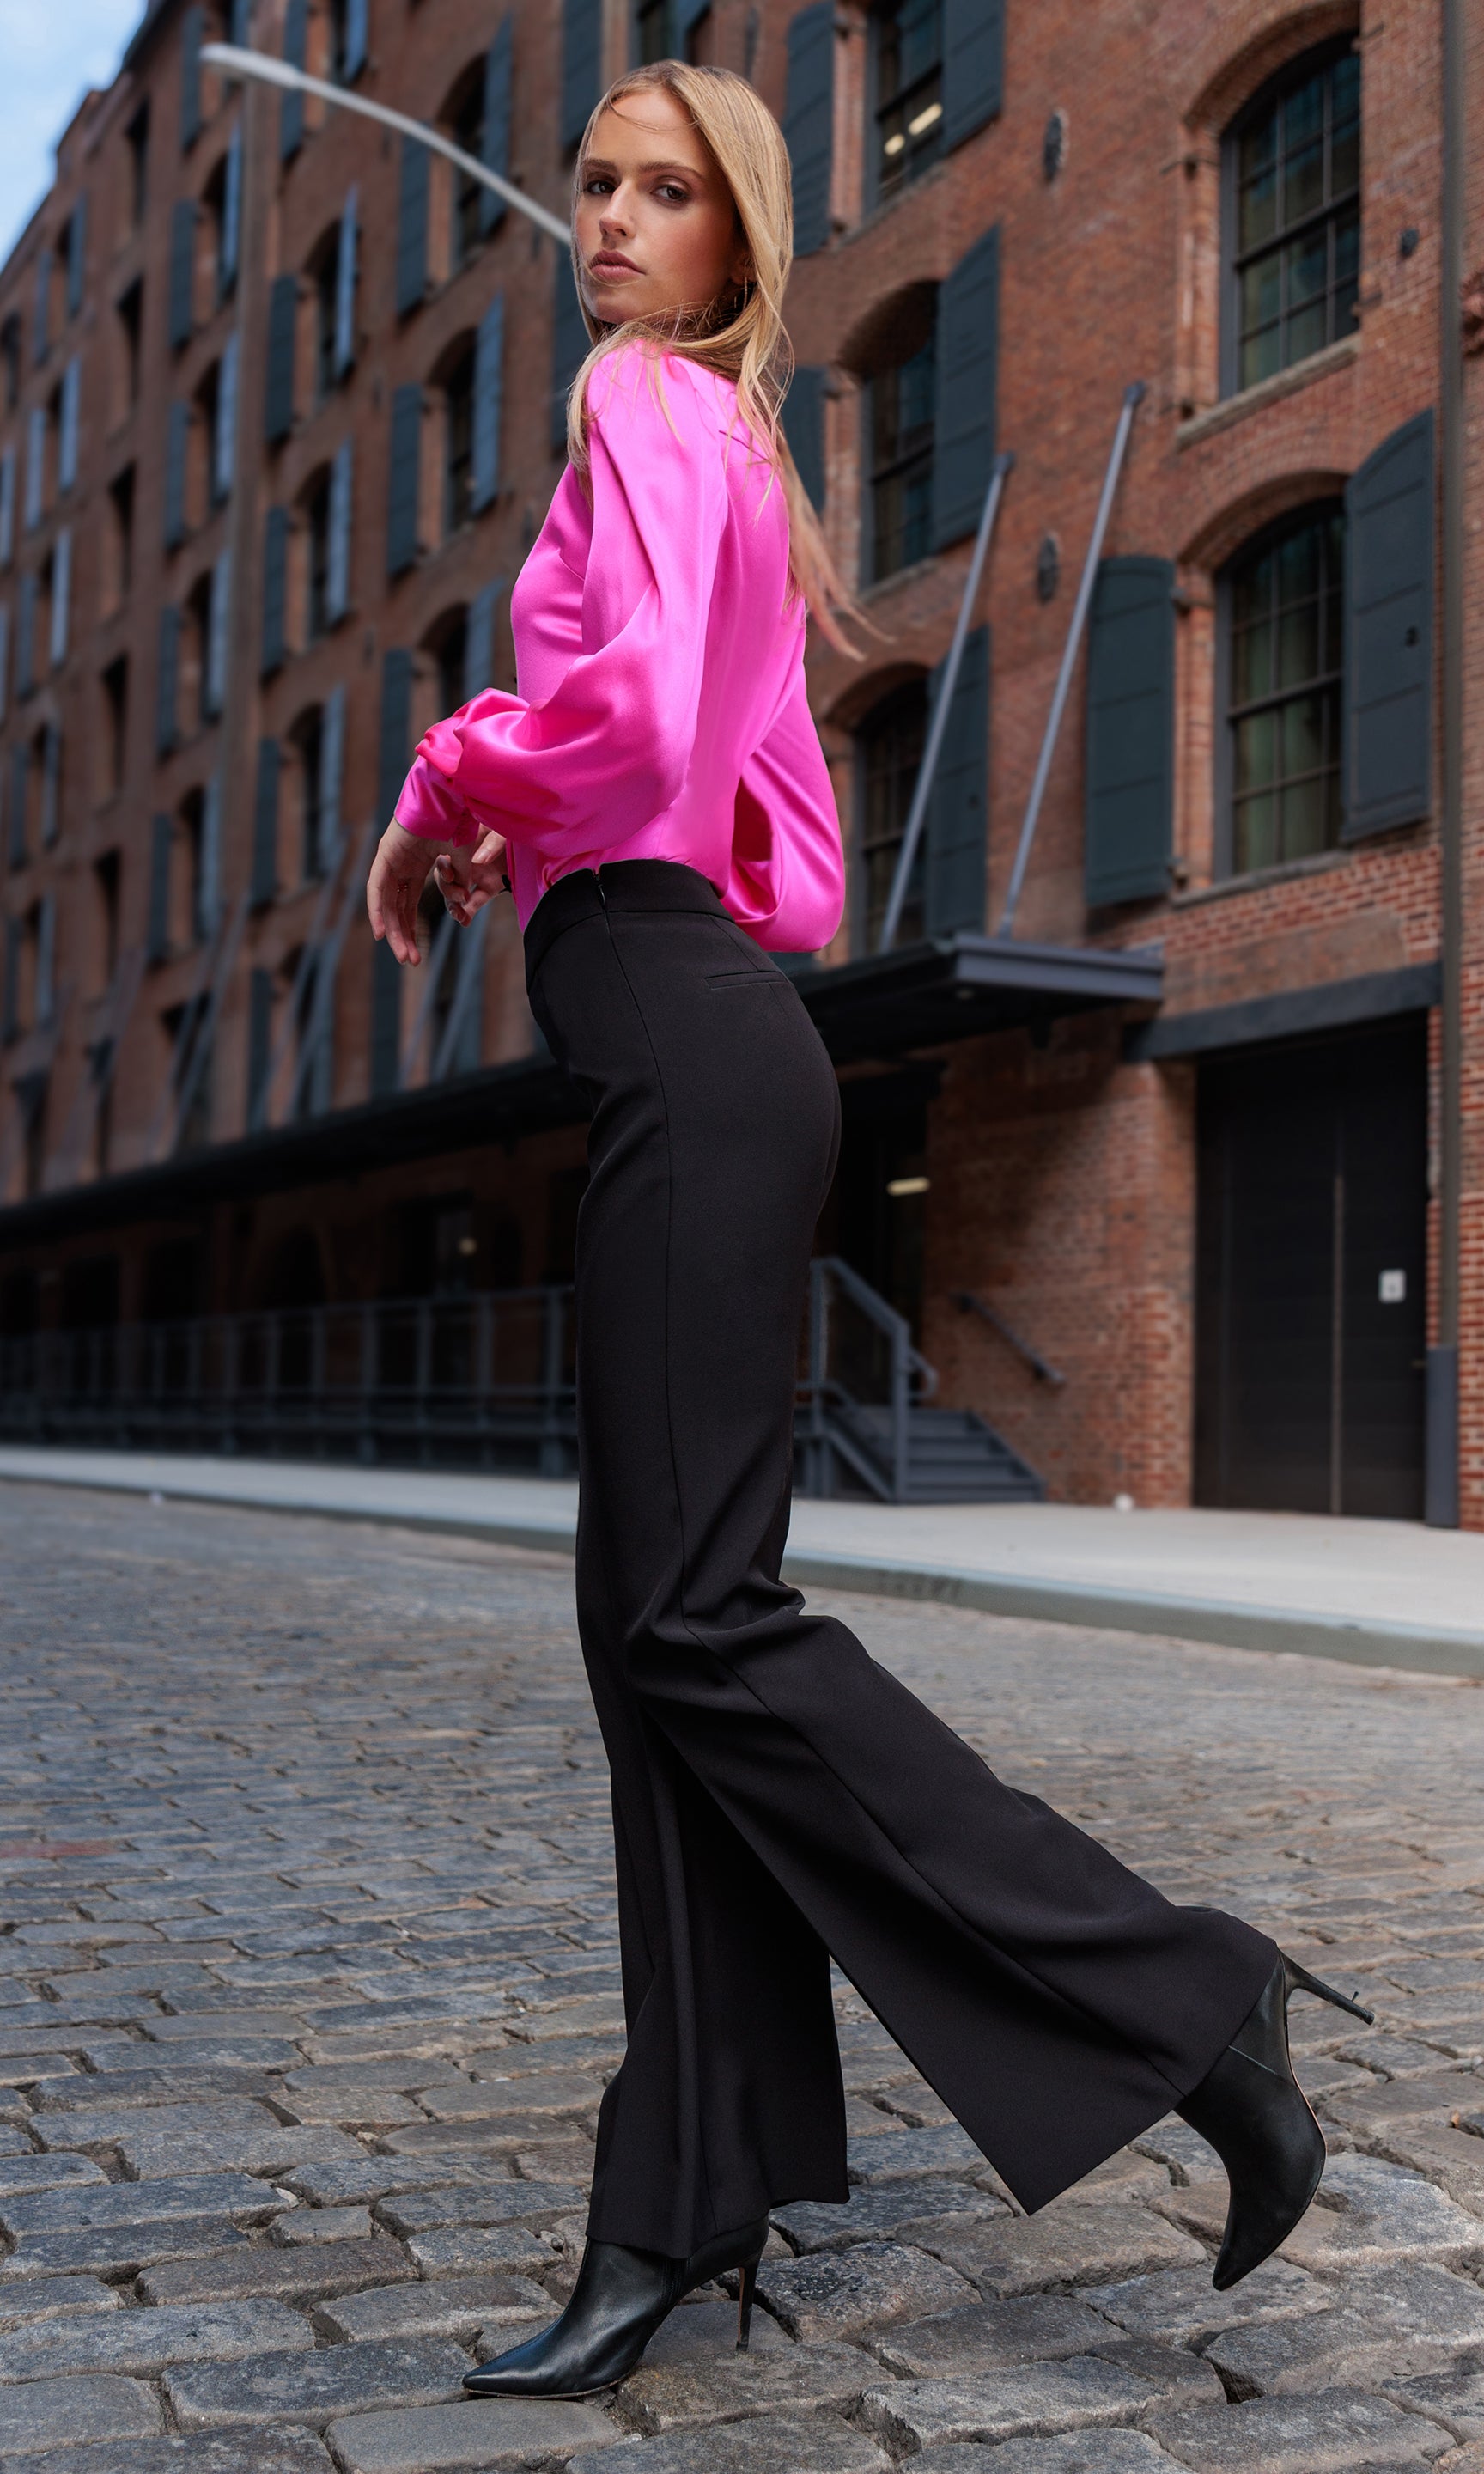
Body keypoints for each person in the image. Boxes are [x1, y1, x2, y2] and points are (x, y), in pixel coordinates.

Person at [365, 58, 1371, 2404]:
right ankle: (683, 2207)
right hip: (716, 1039)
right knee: (660, 1641)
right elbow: (795, 863)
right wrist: (586, 848)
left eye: (664, 192)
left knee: (698, 1626)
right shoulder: (746, 465)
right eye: (593, 187)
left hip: (684, 1056)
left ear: (740, 242)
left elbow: (615, 725)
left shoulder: (645, 406)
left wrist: (445, 798)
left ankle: (1176, 1996)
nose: (608, 224)